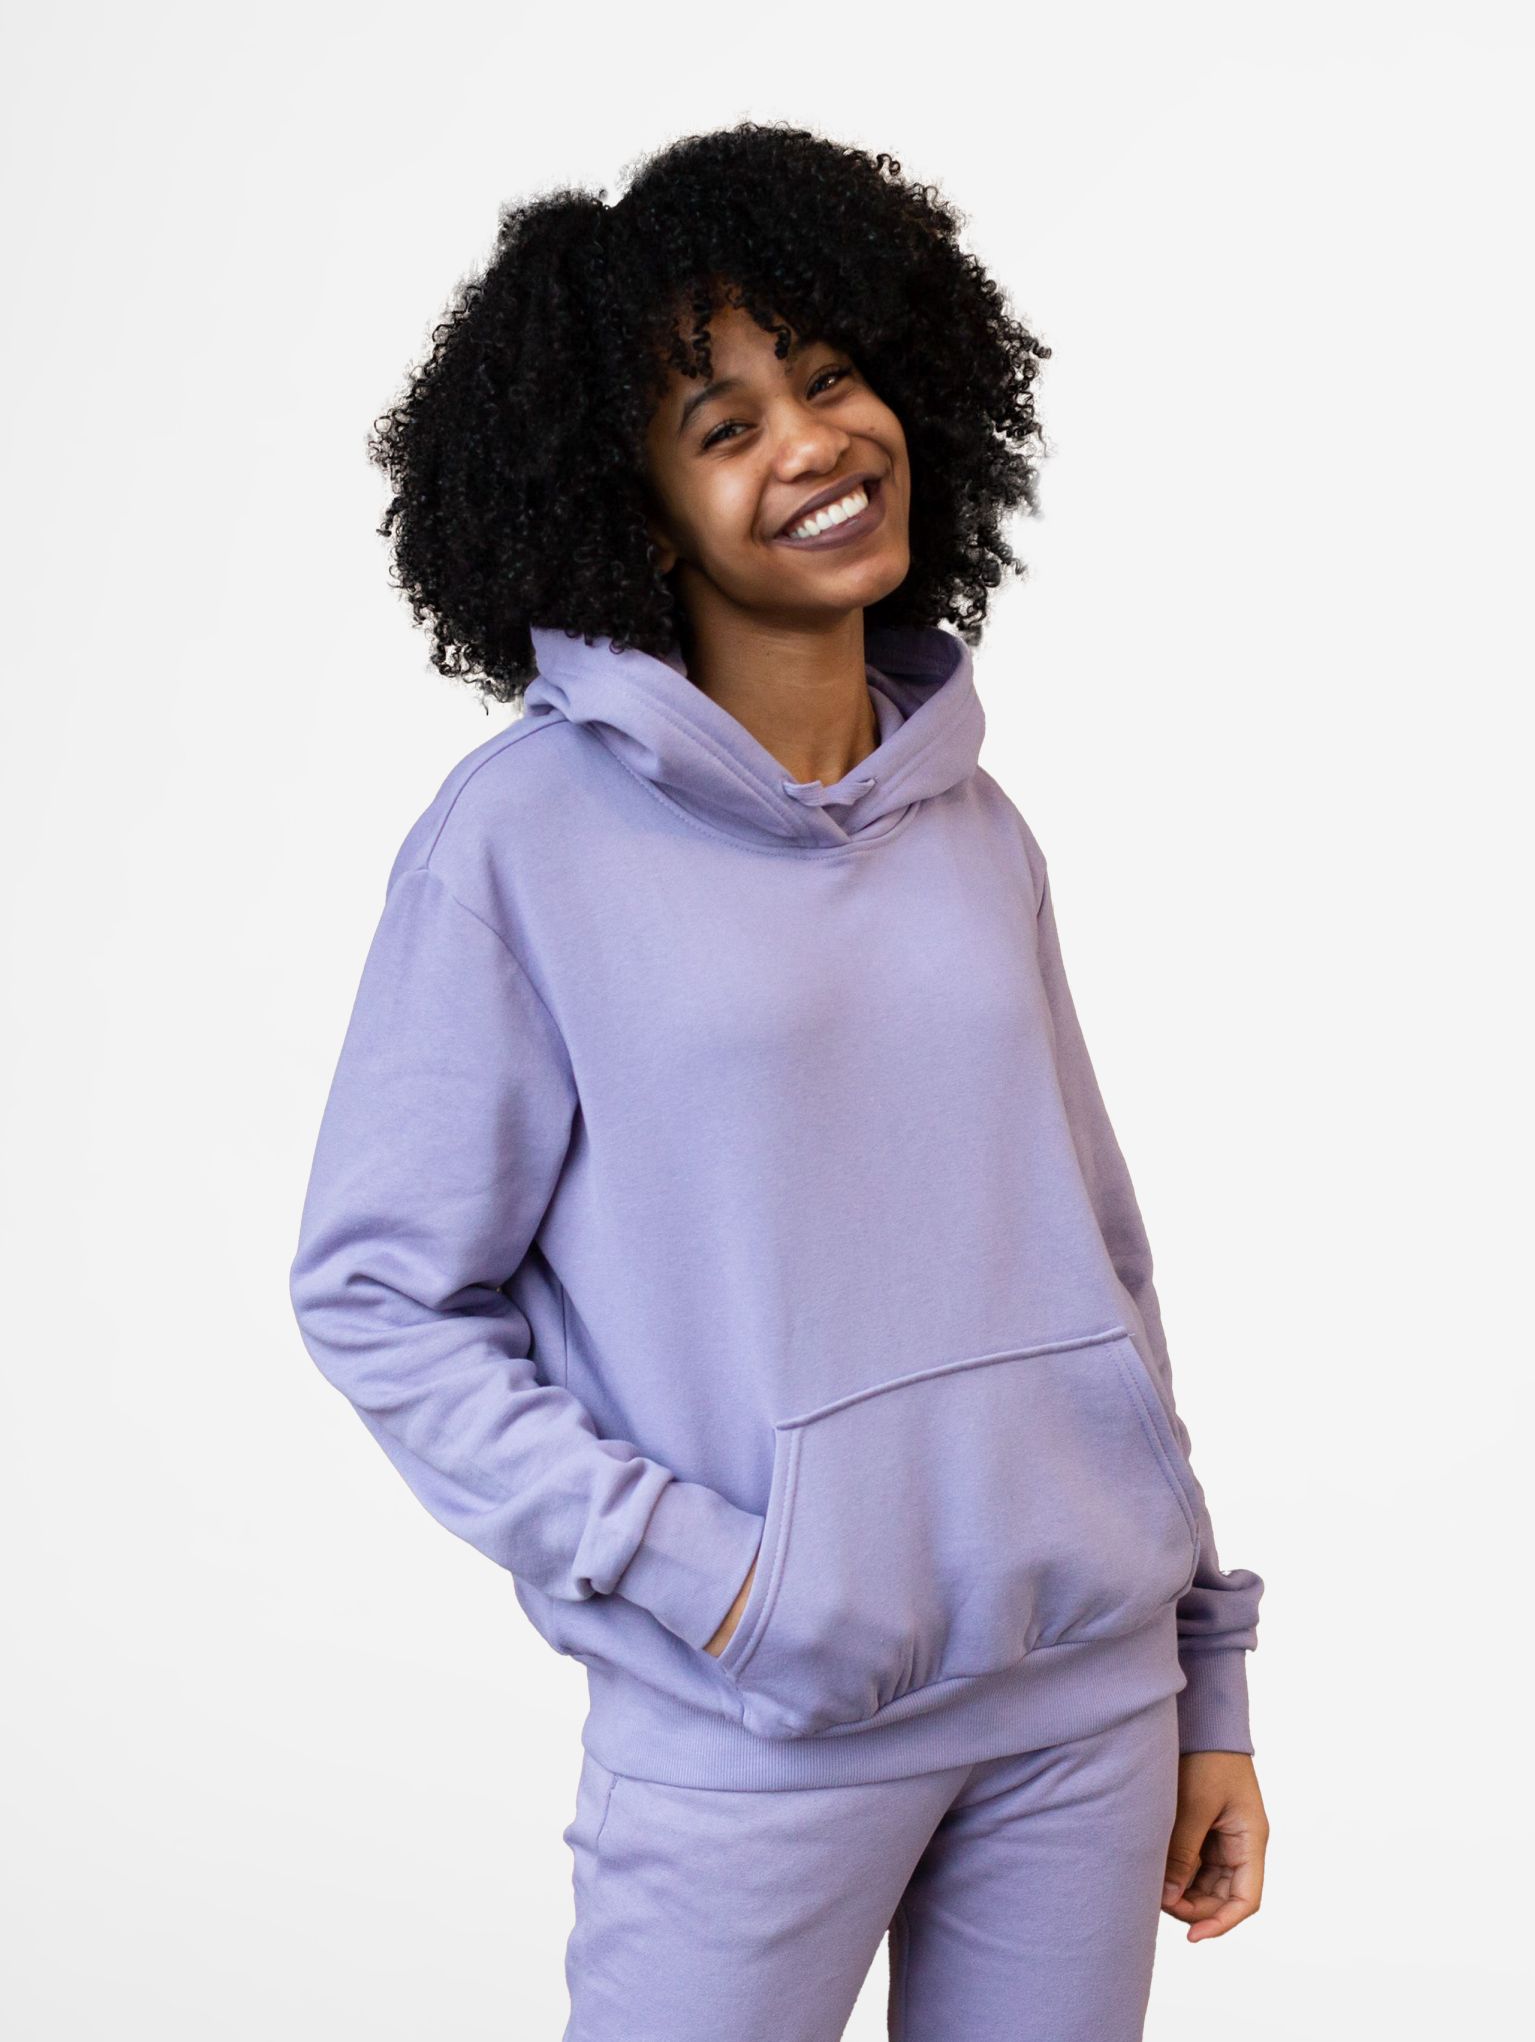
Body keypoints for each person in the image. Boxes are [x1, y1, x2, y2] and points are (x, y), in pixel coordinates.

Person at [288, 121, 1268, 2041]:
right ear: (637, 511)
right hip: (758, 1728)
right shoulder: (521, 846)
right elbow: (378, 1290)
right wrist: (715, 1579)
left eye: (828, 378)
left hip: (1087, 1701)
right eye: (725, 424)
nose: (812, 442)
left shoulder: (975, 823)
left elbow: (1102, 1259)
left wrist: (1204, 1666)